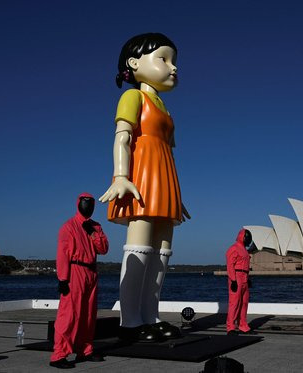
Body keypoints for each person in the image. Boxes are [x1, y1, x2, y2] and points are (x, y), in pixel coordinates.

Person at [99, 33, 190, 343]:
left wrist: (177, 197)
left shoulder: (166, 111)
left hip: (165, 177)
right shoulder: (133, 97)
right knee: (140, 243)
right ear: (134, 63)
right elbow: (122, 138)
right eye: (163, 59)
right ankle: (130, 321)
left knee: (163, 249)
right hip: (142, 176)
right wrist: (120, 177)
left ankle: (150, 315)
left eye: (174, 61)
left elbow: (170, 152)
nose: (173, 67)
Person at [50, 193, 109, 369]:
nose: (88, 206)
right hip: (75, 271)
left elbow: (104, 249)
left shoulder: (95, 226)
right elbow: (63, 254)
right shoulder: (68, 227)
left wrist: (93, 234)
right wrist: (63, 278)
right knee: (69, 314)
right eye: (85, 203)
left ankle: (85, 349)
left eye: (91, 203)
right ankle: (59, 354)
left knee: (88, 315)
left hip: (91, 272)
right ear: (78, 204)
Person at [226, 228, 253, 335]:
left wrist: (248, 279)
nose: (248, 239)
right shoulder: (234, 248)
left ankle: (243, 325)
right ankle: (231, 327)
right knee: (235, 303)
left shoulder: (244, 250)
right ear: (243, 237)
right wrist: (233, 280)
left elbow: (245, 265)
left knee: (244, 303)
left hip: (244, 276)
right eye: (247, 237)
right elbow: (230, 265)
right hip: (237, 276)